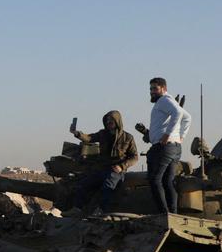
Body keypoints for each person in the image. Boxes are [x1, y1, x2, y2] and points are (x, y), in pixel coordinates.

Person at [70, 110, 138, 213]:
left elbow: (134, 157)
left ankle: (101, 210)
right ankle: (77, 209)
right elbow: (89, 138)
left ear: (117, 121)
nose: (109, 122)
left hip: (116, 170)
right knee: (83, 184)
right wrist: (77, 133)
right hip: (102, 168)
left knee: (108, 187)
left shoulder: (127, 137)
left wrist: (121, 166)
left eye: (111, 120)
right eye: (107, 120)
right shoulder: (103, 134)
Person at [141, 77, 192, 214]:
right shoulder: (168, 101)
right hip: (174, 148)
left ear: (163, 89)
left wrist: (167, 134)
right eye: (150, 89)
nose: (152, 92)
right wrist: (181, 136)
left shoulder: (164, 100)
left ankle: (164, 213)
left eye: (155, 88)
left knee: (154, 179)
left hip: (163, 148)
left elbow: (179, 113)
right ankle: (172, 213)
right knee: (167, 181)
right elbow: (187, 117)